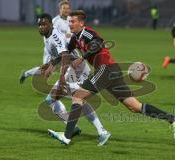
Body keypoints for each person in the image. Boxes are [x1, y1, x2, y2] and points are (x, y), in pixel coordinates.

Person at [45, 10, 175, 145]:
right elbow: (66, 53)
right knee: (135, 106)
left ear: (81, 23)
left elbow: (98, 43)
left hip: (105, 69)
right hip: (112, 71)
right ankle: (173, 118)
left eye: (73, 22)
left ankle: (67, 136)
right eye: (69, 21)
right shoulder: (75, 38)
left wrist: (83, 58)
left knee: (78, 96)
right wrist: (53, 63)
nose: (70, 24)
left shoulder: (86, 32)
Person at [21, 13, 110, 146]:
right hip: (70, 68)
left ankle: (101, 131)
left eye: (44, 24)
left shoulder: (55, 36)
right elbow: (59, 56)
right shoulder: (46, 36)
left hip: (76, 69)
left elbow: (65, 56)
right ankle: (74, 127)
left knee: (78, 98)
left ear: (51, 24)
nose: (41, 27)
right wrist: (49, 65)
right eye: (39, 24)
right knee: (53, 99)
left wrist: (62, 78)